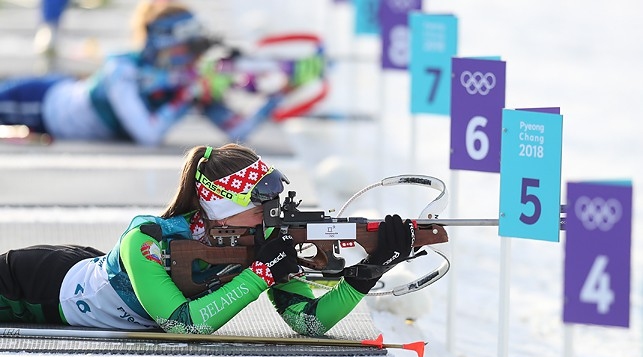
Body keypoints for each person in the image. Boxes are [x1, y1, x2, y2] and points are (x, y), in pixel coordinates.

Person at [0, 144, 416, 336]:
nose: (270, 216)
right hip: (35, 285)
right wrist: (259, 276)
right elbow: (183, 325)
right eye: (259, 205)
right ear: (219, 206)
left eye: (274, 203)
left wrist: (367, 272)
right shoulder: (146, 238)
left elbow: (308, 323)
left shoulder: (266, 238)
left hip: (83, 279)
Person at [0, 2, 288, 147]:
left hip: (56, 106)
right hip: (42, 103)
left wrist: (276, 97)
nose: (190, 57)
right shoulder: (122, 69)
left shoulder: (187, 80)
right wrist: (187, 94)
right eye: (185, 48)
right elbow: (146, 134)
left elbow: (238, 131)